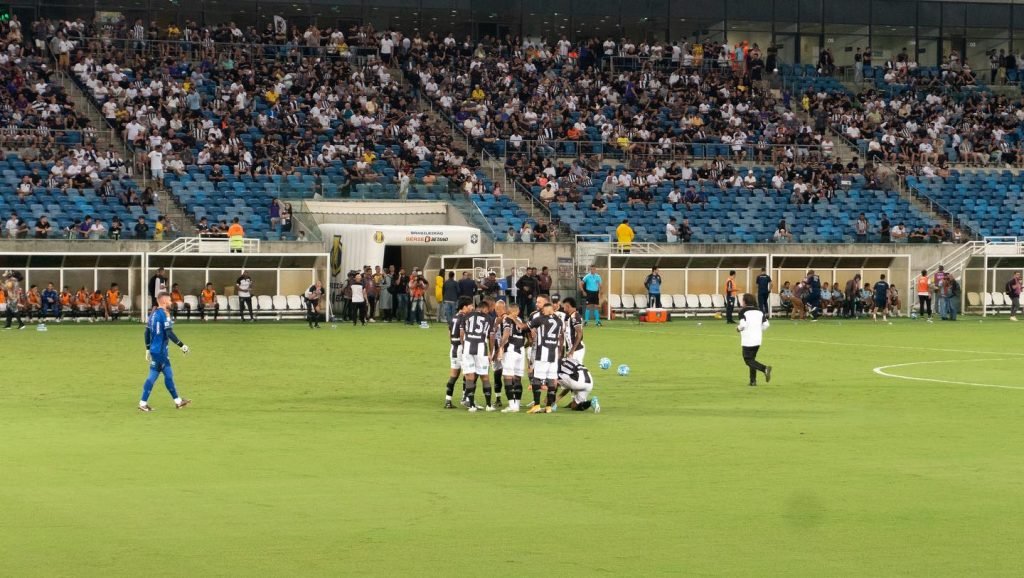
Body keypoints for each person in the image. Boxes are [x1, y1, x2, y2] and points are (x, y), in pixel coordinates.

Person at [139, 292, 191, 412]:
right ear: (164, 302)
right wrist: (182, 346)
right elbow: (169, 333)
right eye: (169, 300)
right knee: (157, 376)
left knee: (166, 375)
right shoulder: (164, 315)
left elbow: (146, 332)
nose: (171, 302)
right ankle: (143, 403)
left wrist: (148, 349)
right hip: (161, 352)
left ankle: (178, 401)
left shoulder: (153, 314)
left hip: (155, 350)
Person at [527, 301, 564, 413]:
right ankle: (548, 407)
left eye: (543, 310)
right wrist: (560, 352)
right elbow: (561, 337)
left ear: (547, 310)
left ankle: (537, 405)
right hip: (554, 353)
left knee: (536, 378)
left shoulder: (540, 319)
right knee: (552, 379)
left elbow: (525, 327)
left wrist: (514, 319)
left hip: (543, 353)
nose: (542, 312)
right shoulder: (559, 321)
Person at [460, 299, 494, 412]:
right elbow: (491, 337)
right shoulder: (489, 318)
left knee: (470, 377)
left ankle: (471, 406)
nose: (488, 312)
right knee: (485, 376)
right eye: (487, 310)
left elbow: (462, 333)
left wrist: (463, 345)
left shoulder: (467, 316)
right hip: (481, 349)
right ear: (484, 308)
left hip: (468, 348)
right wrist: (491, 352)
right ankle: (489, 405)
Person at [497, 303, 529, 413]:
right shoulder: (521, 320)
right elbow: (530, 338)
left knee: (507, 377)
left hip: (510, 349)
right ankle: (517, 405)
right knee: (517, 378)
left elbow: (506, 334)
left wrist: (501, 347)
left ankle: (512, 405)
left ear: (508, 311)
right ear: (518, 311)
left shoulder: (507, 319)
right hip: (521, 350)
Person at [443, 297, 473, 409]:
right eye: (470, 305)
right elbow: (462, 333)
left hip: (453, 348)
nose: (472, 307)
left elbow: (449, 332)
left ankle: (448, 401)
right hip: (461, 348)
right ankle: (466, 399)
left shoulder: (454, 317)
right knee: (468, 374)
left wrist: (453, 343)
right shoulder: (465, 317)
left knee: (454, 376)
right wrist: (465, 346)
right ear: (464, 307)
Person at [736, 293, 772, 387]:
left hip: (748, 340)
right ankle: (753, 381)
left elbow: (743, 325)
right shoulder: (759, 311)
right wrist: (758, 330)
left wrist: (738, 329)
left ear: (745, 301)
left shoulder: (743, 311)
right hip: (758, 339)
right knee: (752, 360)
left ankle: (764, 369)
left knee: (748, 360)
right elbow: (766, 324)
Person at [561, 297, 585, 363]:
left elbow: (579, 333)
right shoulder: (569, 316)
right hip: (572, 349)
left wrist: (572, 351)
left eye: (564, 306)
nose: (563, 308)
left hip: (576, 350)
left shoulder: (575, 317)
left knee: (576, 368)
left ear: (568, 306)